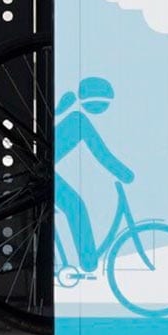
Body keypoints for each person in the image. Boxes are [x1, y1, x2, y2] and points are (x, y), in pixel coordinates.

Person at [53, 76, 131, 272]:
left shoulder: (71, 114)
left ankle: (87, 262)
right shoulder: (76, 119)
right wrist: (124, 174)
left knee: (75, 205)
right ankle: (88, 263)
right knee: (75, 206)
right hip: (43, 166)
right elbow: (101, 153)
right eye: (101, 105)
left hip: (44, 165)